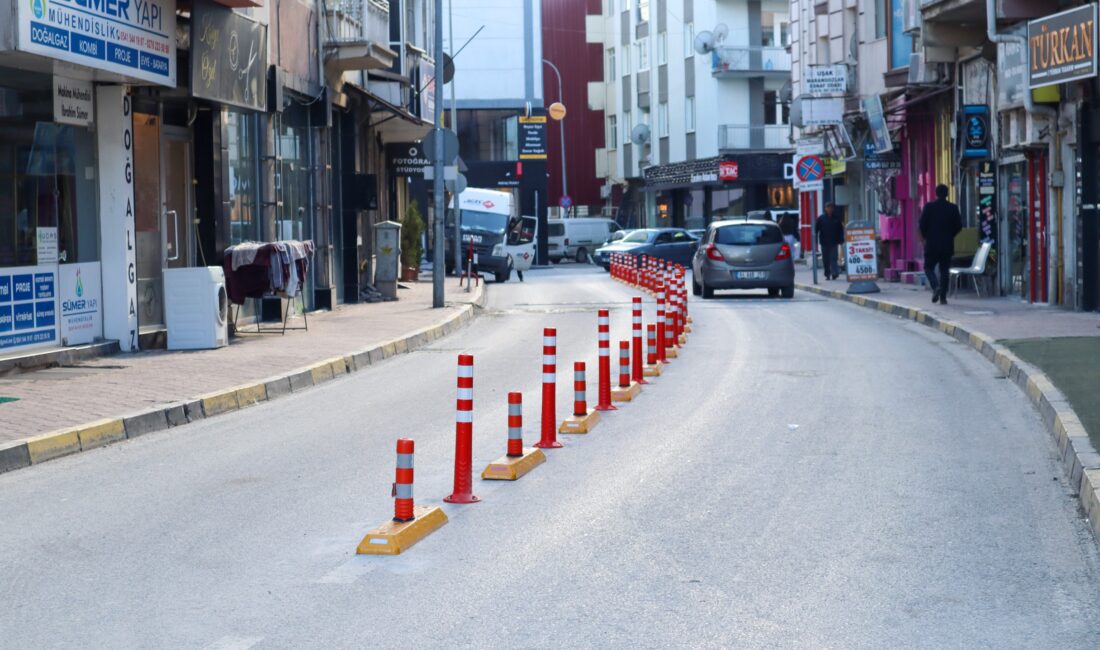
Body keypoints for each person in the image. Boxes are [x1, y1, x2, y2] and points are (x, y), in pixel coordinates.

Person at [919, 184, 963, 305]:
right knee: (944, 270)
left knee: (928, 267)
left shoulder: (928, 207)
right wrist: (950, 235)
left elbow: (922, 225)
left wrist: (926, 236)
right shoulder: (953, 208)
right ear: (947, 194)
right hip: (947, 244)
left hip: (932, 244)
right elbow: (959, 226)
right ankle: (943, 297)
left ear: (936, 194)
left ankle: (935, 286)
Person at [815, 203, 844, 280]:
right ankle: (827, 273)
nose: (830, 209)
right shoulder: (821, 219)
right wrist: (815, 241)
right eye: (828, 208)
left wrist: (841, 239)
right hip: (824, 242)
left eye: (831, 208)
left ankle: (835, 273)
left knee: (834, 258)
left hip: (834, 241)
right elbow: (816, 230)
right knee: (826, 259)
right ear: (825, 208)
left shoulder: (836, 218)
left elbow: (840, 230)